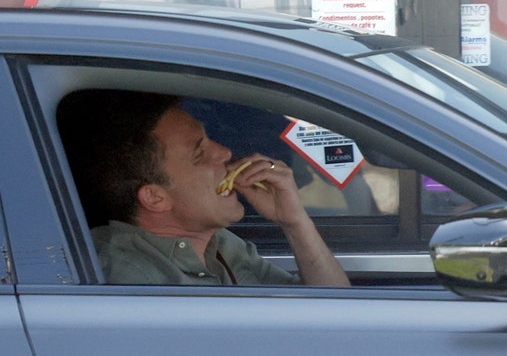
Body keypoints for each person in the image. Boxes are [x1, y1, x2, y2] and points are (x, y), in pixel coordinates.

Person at [56, 89, 349, 287]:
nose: (223, 152)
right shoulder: (129, 278)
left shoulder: (221, 245)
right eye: (200, 153)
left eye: (210, 140)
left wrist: (295, 222)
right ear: (155, 197)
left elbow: (332, 315)